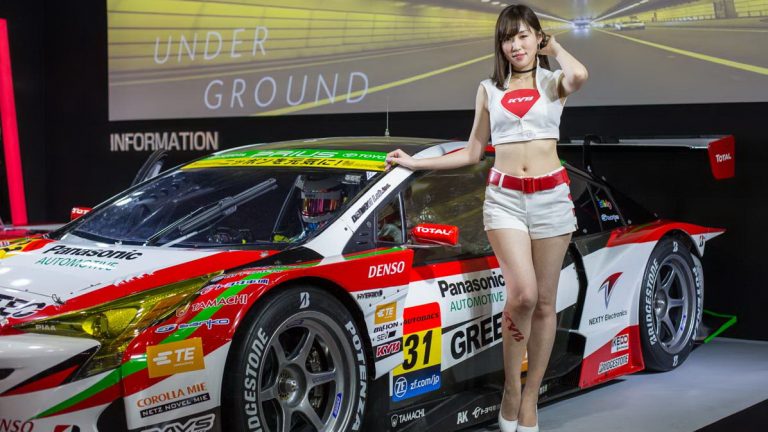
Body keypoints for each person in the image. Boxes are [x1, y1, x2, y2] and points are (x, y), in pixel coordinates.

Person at [385, 5, 588, 432]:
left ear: (537, 38)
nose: (516, 45)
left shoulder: (553, 82)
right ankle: (511, 389)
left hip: (552, 200)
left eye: (523, 36)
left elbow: (580, 75)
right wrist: (415, 163)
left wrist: (555, 48)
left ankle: (529, 399)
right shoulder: (488, 89)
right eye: (508, 38)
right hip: (505, 201)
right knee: (523, 296)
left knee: (546, 302)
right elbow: (473, 152)